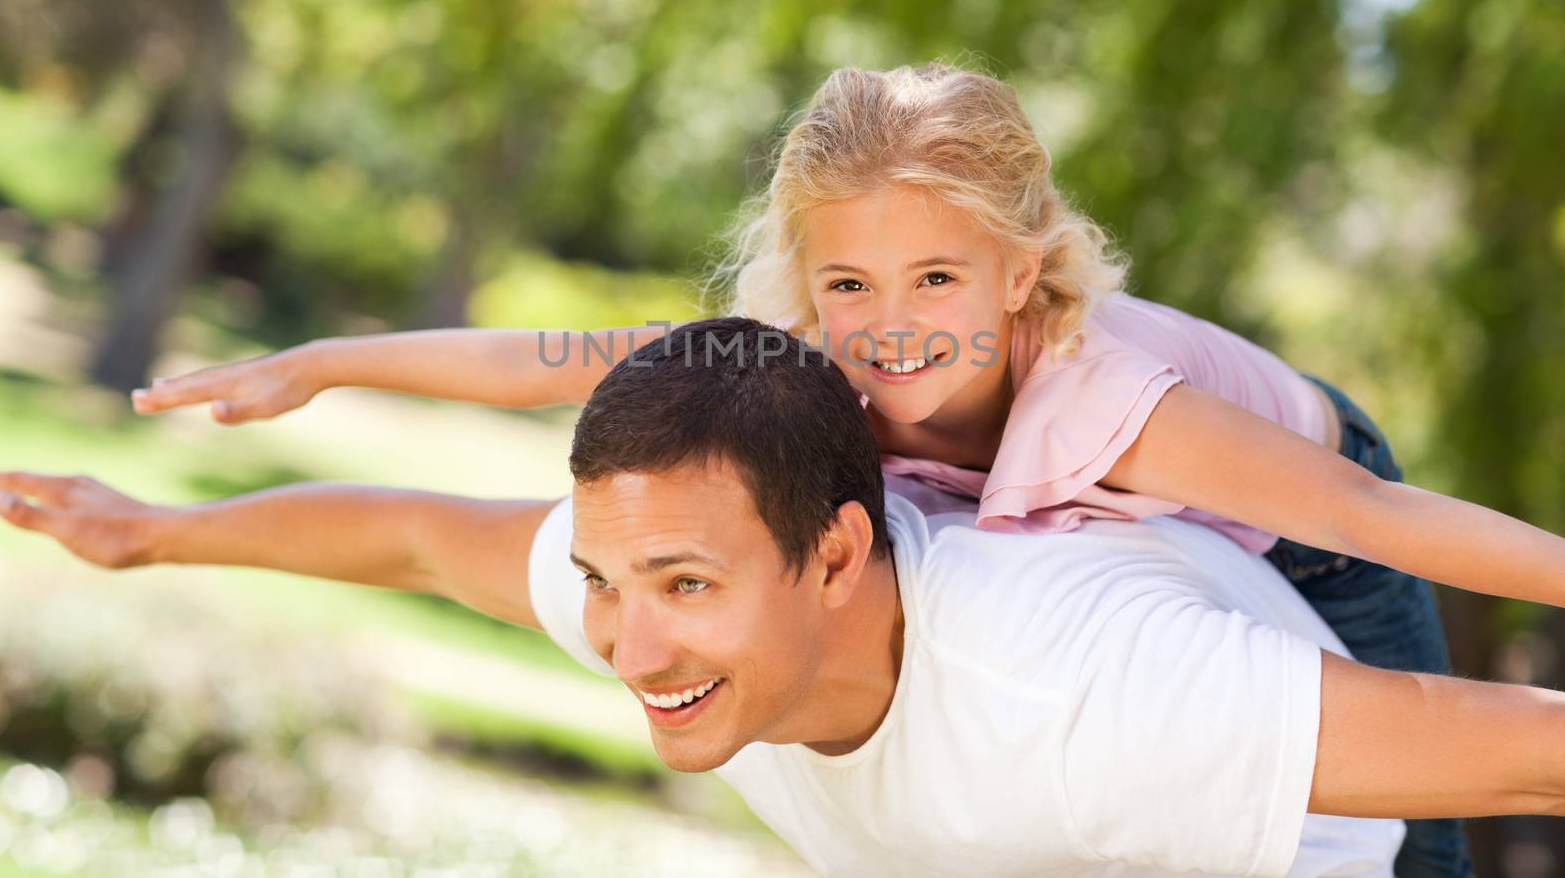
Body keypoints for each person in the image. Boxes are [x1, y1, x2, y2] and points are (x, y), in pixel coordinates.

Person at [131, 65, 1565, 874]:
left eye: (938, 275)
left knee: (1405, 816)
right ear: (805, 285)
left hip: (1308, 531)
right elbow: (544, 360)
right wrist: (324, 362)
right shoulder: (802, 369)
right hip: (1082, 556)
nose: (893, 326)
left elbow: (1376, 513)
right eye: (853, 284)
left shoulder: (1112, 403)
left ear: (1024, 271)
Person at [0, 319, 1565, 878]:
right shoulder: (693, 535)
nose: (628, 644)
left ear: (835, 559)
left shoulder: (1086, 692)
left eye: (677, 587)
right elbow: (410, 537)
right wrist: (151, 535)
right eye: (606, 584)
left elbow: (1526, 742)